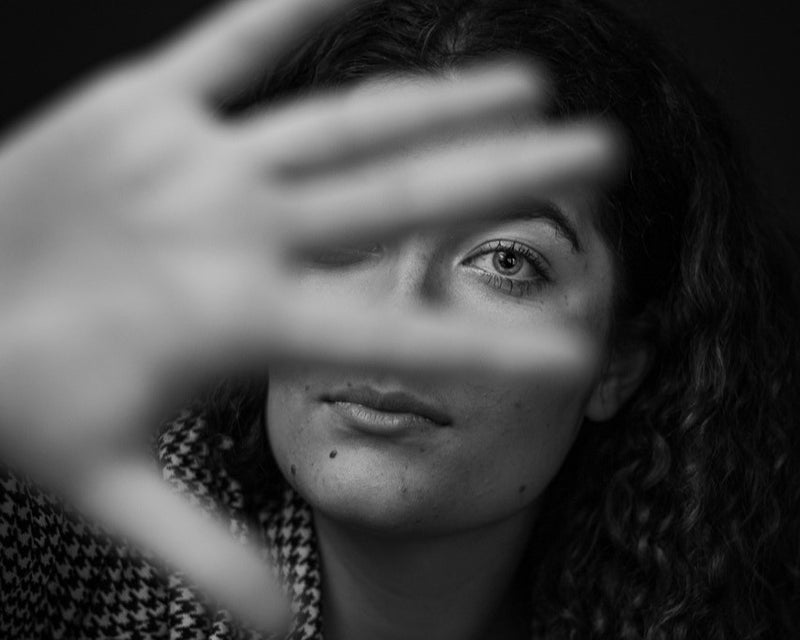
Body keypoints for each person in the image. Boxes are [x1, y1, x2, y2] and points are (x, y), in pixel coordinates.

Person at [1, 1, 798, 640]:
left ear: (618, 361)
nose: (398, 310)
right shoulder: (68, 533)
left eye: (507, 260)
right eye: (346, 232)